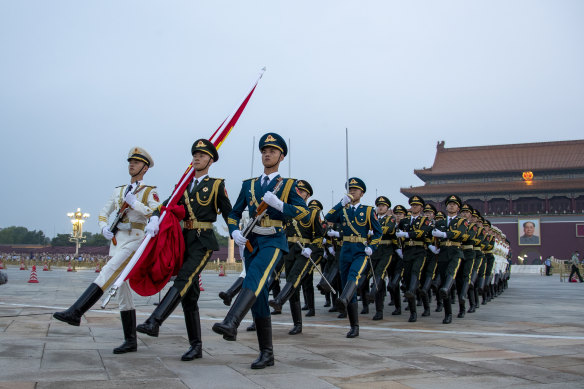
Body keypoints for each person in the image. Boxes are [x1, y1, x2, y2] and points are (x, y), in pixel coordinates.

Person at [213, 133, 310, 369]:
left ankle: (231, 321)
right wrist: (234, 231)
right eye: (264, 151)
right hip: (251, 241)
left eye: (273, 151)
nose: (267, 154)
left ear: (281, 156)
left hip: (274, 240)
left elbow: (303, 212)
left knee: (255, 276)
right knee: (259, 294)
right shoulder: (249, 185)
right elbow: (234, 213)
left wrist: (280, 205)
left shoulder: (288, 185)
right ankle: (267, 353)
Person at [53, 147, 160, 354]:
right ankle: (130, 341)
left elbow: (156, 212)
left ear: (145, 168)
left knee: (108, 272)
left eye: (136, 163)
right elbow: (104, 212)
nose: (131, 165)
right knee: (122, 291)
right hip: (118, 241)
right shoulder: (119, 190)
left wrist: (136, 203)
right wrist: (103, 227)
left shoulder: (148, 191)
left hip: (135, 240)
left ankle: (76, 311)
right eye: (130, 162)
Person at [135, 139, 232, 361]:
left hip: (203, 241)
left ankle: (155, 321)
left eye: (201, 155)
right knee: (189, 296)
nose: (197, 158)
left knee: (184, 279)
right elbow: (165, 205)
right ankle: (196, 346)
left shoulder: (216, 185)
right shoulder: (183, 186)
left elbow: (229, 213)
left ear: (210, 160)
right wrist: (155, 217)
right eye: (195, 154)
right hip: (183, 241)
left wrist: (237, 232)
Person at [324, 177, 382, 338]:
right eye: (350, 190)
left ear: (361, 193)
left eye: (355, 190)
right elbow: (328, 218)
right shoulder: (343, 210)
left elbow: (378, 233)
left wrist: (372, 247)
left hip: (360, 251)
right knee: (346, 285)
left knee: (353, 277)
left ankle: (343, 301)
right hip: (345, 250)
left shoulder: (369, 210)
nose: (352, 192)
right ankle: (353, 325)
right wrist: (341, 203)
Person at [268, 180, 323, 335]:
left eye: (301, 192)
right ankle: (297, 323)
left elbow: (319, 236)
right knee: (293, 286)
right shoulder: (287, 211)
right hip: (290, 250)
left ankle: (279, 300)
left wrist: (311, 249)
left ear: (307, 195)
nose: (298, 194)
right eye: (296, 191)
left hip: (305, 251)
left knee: (294, 276)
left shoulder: (313, 213)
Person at [395, 195, 433, 323]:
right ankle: (413, 309)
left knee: (415, 273)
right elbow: (397, 233)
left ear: (421, 207)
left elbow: (423, 232)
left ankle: (424, 307)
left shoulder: (425, 220)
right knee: (407, 278)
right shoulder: (405, 221)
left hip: (419, 251)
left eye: (416, 205)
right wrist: (398, 247)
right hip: (407, 251)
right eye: (412, 205)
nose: (414, 207)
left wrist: (407, 234)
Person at [431, 194, 468, 324]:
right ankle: (448, 314)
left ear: (458, 208)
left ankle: (462, 308)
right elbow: (434, 236)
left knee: (451, 277)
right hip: (443, 253)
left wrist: (445, 234)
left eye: (454, 204)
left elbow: (461, 234)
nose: (451, 205)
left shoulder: (462, 222)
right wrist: (433, 245)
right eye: (449, 204)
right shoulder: (440, 222)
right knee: (443, 284)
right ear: (446, 206)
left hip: (455, 252)